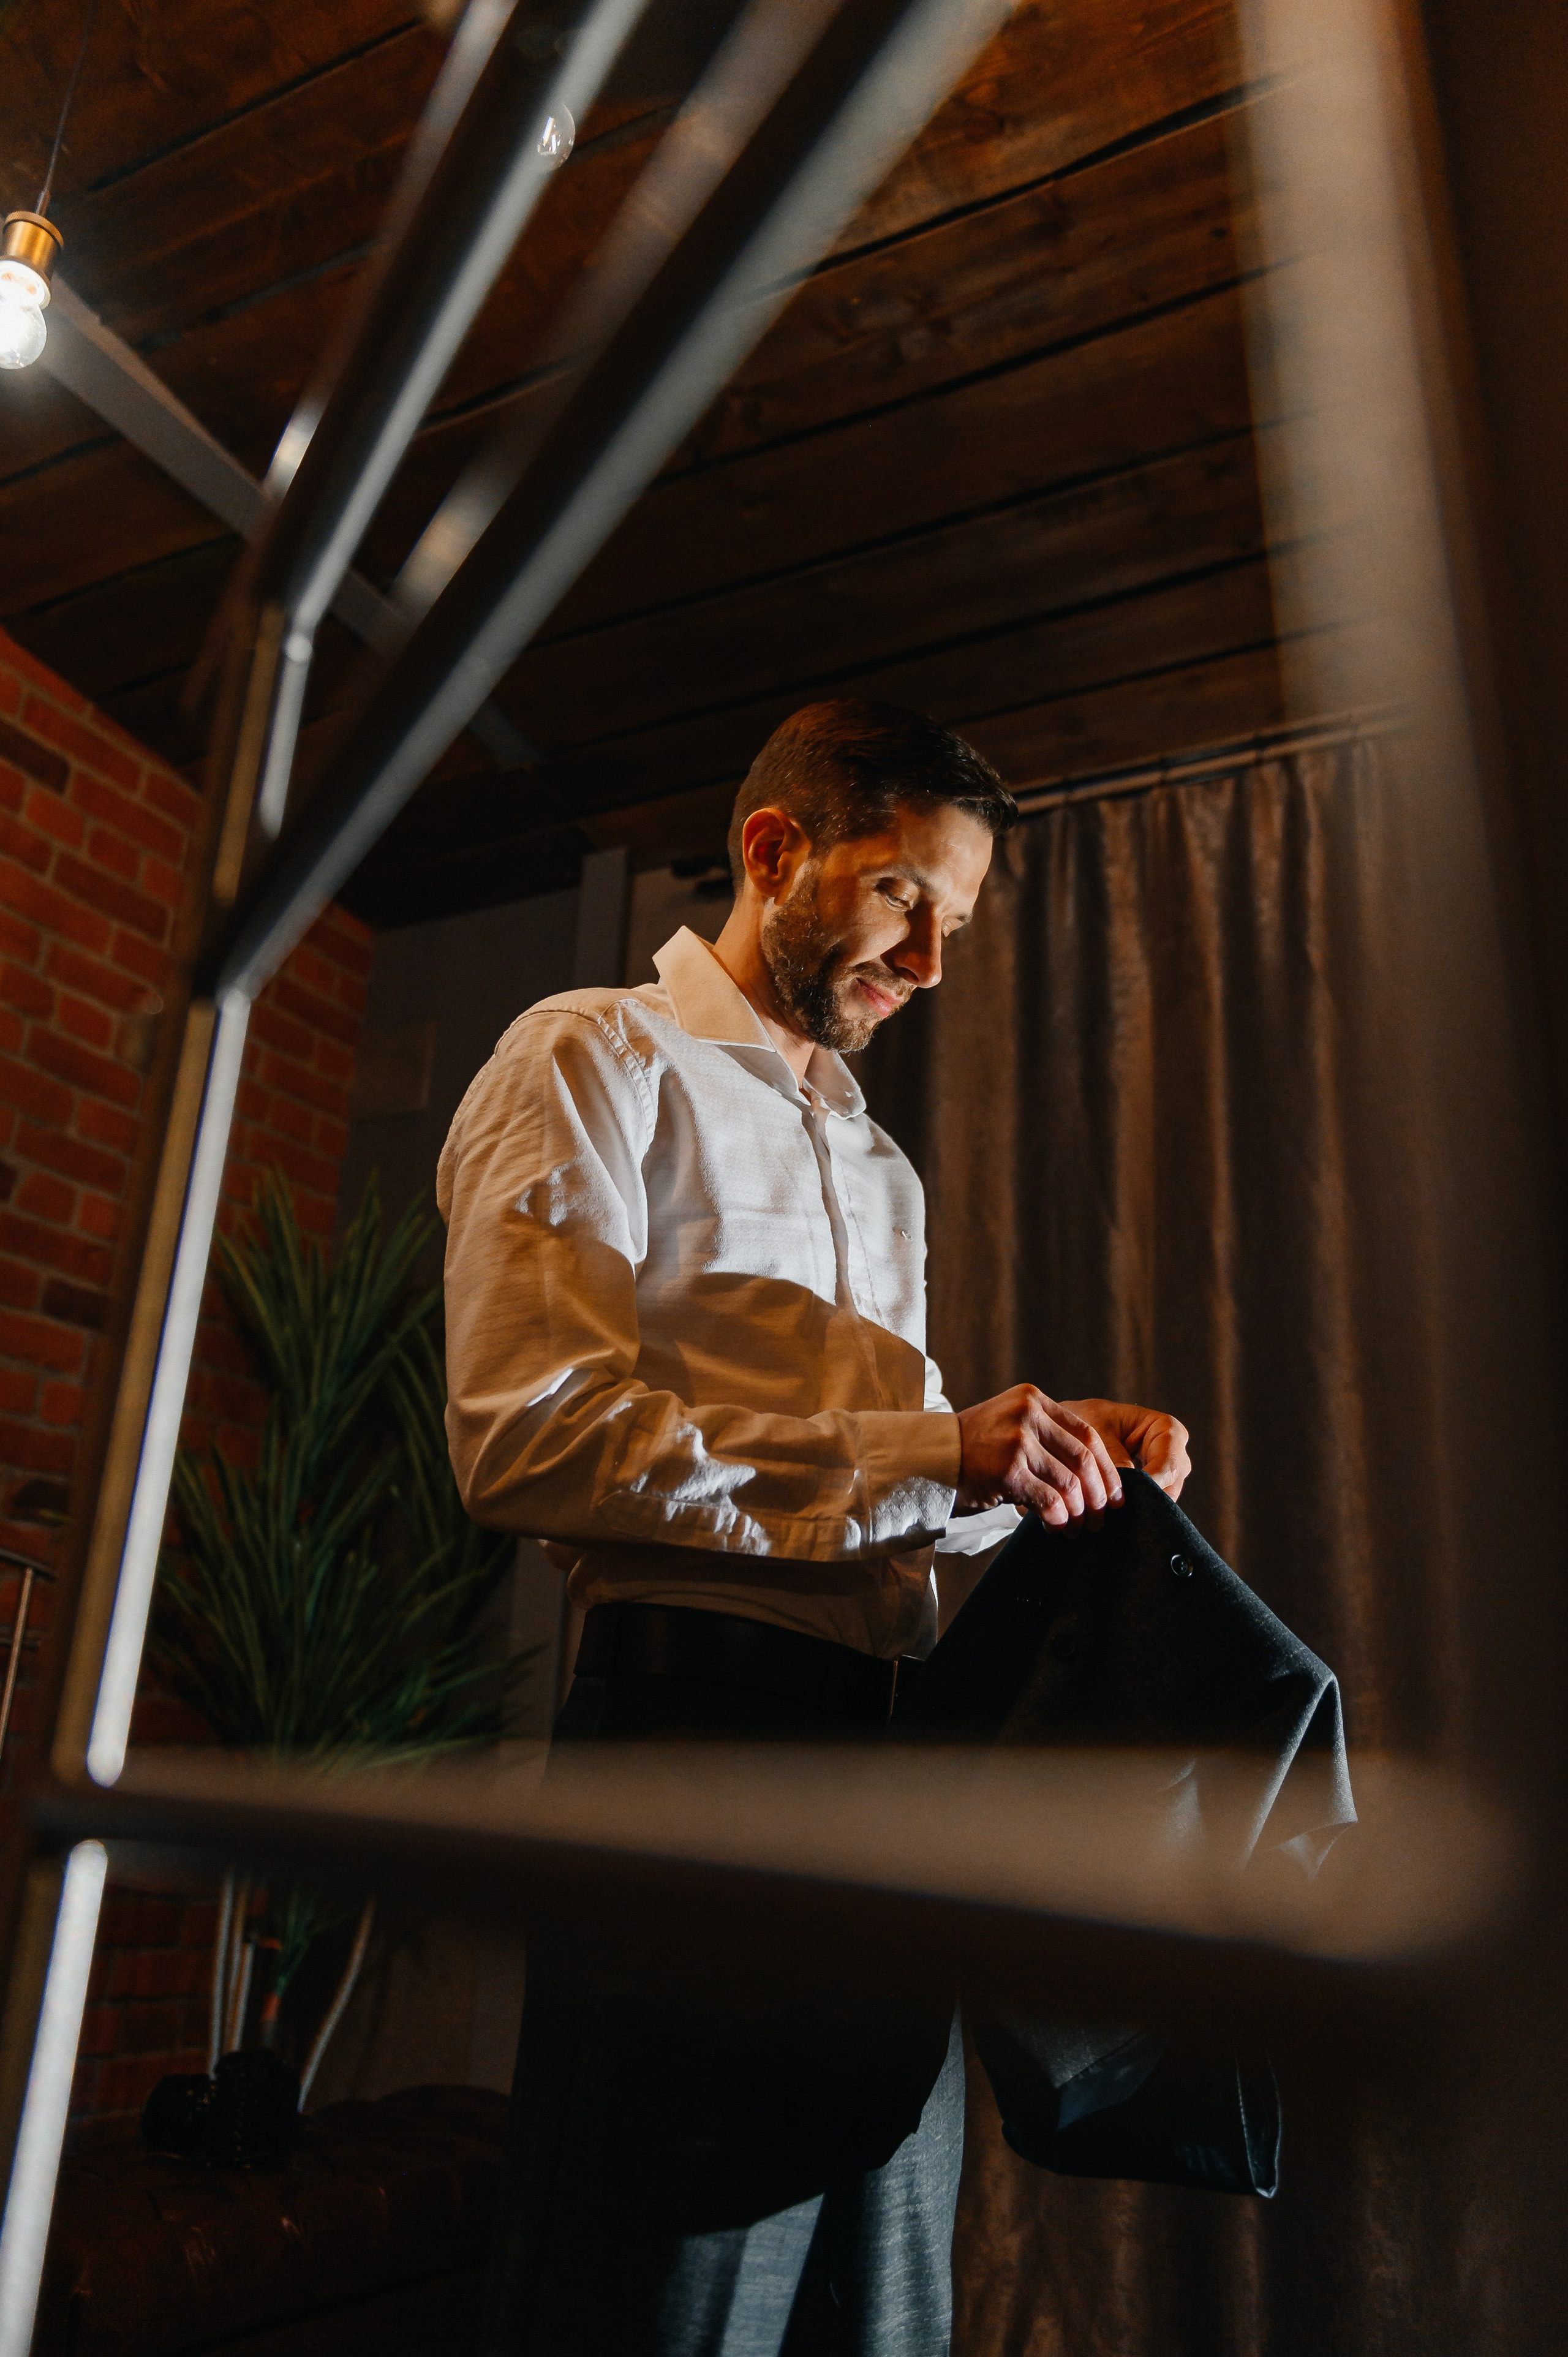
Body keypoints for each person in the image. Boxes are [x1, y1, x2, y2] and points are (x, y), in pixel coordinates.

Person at [437, 699, 1191, 2355]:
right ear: (776, 852)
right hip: (690, 1762)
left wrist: (1041, 1471)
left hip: (887, 1788)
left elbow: (884, 1528)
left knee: (884, 2324)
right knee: (663, 2316)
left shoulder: (885, 1167)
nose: (929, 961)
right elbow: (527, 1440)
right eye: (903, 899)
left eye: (957, 926)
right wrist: (938, 1447)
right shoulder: (585, 1059)